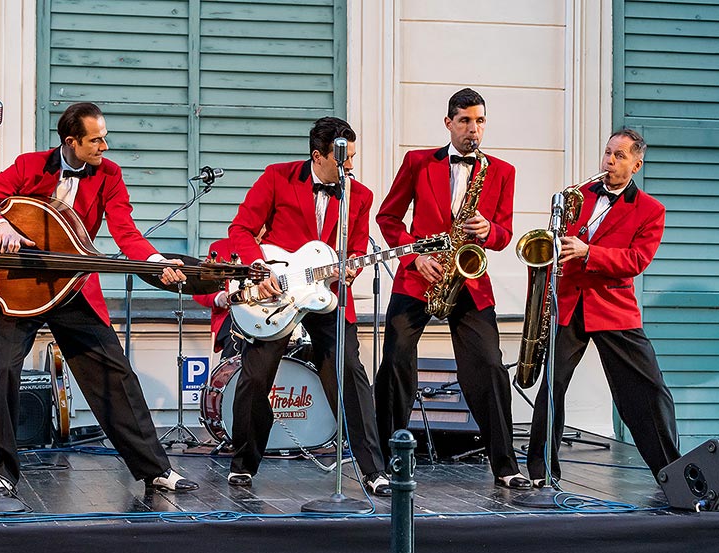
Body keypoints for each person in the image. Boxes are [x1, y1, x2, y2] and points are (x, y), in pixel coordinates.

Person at [0, 102, 198, 496]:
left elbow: (126, 232)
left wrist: (154, 261)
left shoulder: (109, 175)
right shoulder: (29, 165)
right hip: (23, 287)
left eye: (104, 137)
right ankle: (0, 474)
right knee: (1, 374)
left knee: (114, 373)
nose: (104, 146)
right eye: (96, 140)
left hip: (73, 285)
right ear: (71, 141)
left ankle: (154, 469)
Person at [225, 116, 391, 496]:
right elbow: (241, 230)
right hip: (277, 295)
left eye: (353, 158)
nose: (350, 166)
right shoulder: (276, 177)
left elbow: (358, 248)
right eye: (342, 160)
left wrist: (350, 270)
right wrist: (259, 269)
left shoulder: (359, 195)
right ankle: (243, 463)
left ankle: (373, 470)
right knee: (254, 377)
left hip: (327, 295)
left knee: (350, 372)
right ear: (318, 156)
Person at [374, 88, 530, 489]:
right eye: (464, 121)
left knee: (490, 368)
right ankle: (387, 463)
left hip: (470, 279)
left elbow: (504, 234)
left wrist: (488, 229)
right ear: (448, 123)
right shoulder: (418, 162)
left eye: (479, 121)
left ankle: (506, 465)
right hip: (419, 274)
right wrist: (413, 258)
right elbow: (388, 217)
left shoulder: (503, 171)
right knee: (394, 362)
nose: (472, 130)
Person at [526, 128, 680, 486]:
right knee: (552, 387)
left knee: (649, 389)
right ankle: (542, 472)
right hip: (570, 303)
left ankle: (670, 471)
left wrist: (588, 252)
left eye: (619, 156)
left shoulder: (651, 210)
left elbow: (636, 260)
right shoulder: (575, 196)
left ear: (636, 165)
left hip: (612, 308)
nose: (609, 161)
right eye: (607, 153)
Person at [193, 237, 245, 360]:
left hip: (271, 314)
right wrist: (219, 297)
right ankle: (230, 376)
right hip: (231, 315)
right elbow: (200, 290)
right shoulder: (221, 248)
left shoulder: (277, 249)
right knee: (239, 332)